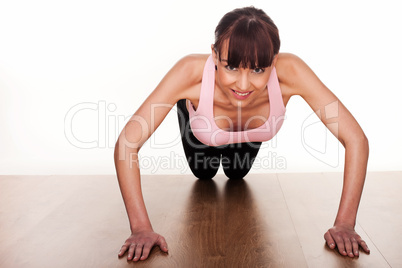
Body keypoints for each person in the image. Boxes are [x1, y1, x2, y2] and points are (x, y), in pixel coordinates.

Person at [114, 6, 370, 261]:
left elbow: (355, 139)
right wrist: (140, 228)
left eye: (258, 70)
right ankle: (188, 106)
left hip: (251, 132)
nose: (243, 85)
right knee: (204, 173)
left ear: (275, 60)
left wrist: (345, 223)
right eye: (231, 68)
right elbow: (127, 143)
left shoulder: (291, 71)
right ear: (214, 56)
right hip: (204, 129)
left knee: (236, 173)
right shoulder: (188, 73)